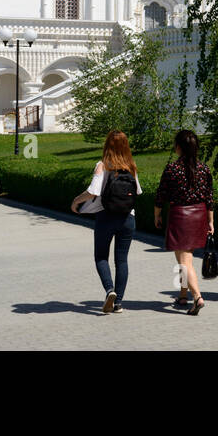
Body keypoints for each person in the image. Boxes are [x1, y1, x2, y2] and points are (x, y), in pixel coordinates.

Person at [71, 131, 142, 314]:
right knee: (122, 261)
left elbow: (93, 192)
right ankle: (118, 302)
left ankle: (109, 290)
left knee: (101, 257)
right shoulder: (131, 167)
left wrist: (76, 201)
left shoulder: (103, 165)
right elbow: (138, 192)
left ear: (107, 146)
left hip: (106, 217)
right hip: (128, 218)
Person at [153, 129, 214, 315]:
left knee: (185, 260)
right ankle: (182, 294)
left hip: (180, 216)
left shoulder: (172, 168)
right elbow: (209, 197)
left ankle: (197, 297)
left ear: (178, 147)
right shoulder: (204, 169)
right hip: (199, 215)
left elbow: (160, 194)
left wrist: (157, 215)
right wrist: (211, 221)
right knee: (183, 259)